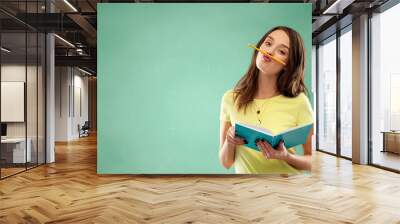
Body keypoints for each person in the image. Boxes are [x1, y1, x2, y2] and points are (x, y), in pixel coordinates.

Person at [219, 26, 314, 174]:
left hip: (287, 191)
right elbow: (226, 163)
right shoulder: (230, 99)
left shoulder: (300, 102)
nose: (269, 52)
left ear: (288, 64)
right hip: (246, 192)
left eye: (281, 51)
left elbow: (312, 160)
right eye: (268, 44)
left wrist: (286, 157)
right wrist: (230, 142)